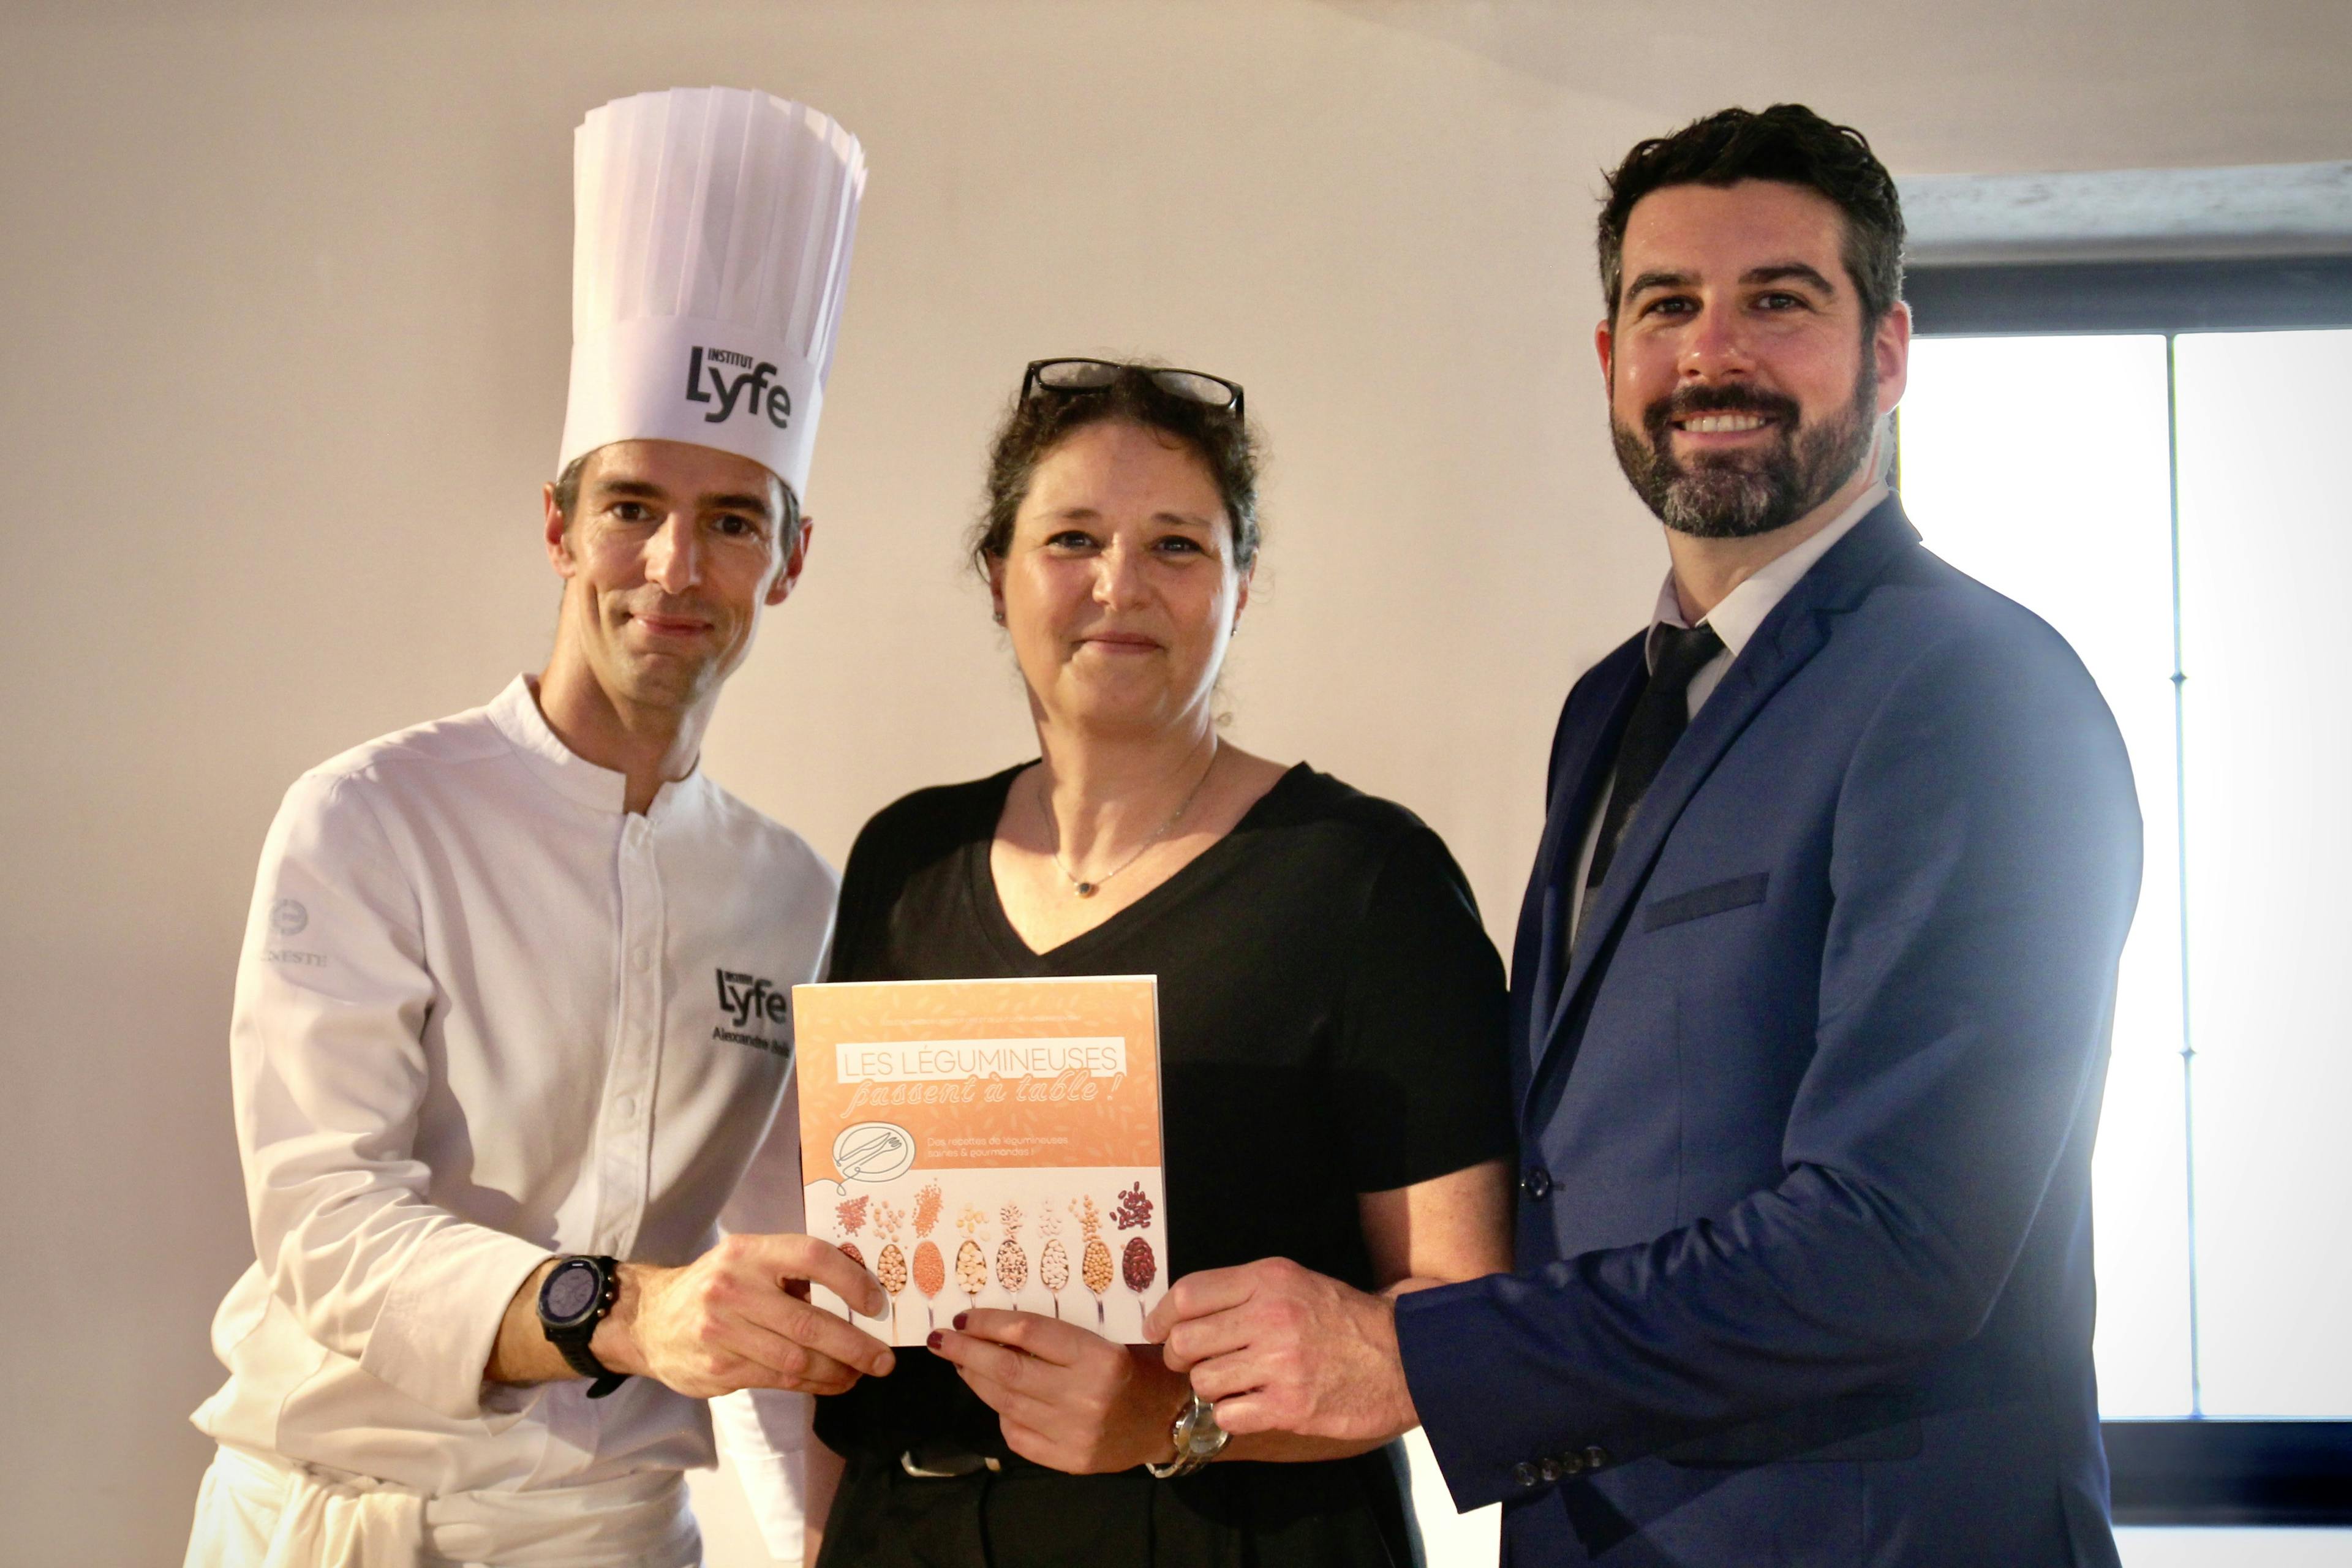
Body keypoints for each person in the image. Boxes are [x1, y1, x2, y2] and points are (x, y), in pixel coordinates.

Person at [1147, 105, 2144, 1568]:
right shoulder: (1609, 704)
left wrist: (1418, 1354)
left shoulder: (1976, 689)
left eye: (1779, 302)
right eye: (1666, 305)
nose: (1712, 353)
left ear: (1887, 354)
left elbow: (1899, 1236)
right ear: (1608, 359)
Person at [183, 87, 892, 1568]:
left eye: (736, 519)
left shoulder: (793, 894)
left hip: (609, 1536)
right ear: (559, 524)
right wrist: (628, 1308)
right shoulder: (374, 816)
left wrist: (819, 1539)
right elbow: (323, 1213)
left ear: (794, 556)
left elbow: (774, 1278)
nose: (676, 565)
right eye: (632, 505)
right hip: (329, 1523)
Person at [808, 359, 1517, 1566]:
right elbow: (858, 1281)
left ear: (1243, 583)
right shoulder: (905, 859)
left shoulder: (1364, 879)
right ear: (998, 575)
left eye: (1178, 545)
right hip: (910, 1526)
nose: (1118, 583)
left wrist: (1170, 1418)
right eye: (1072, 536)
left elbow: (1467, 1325)